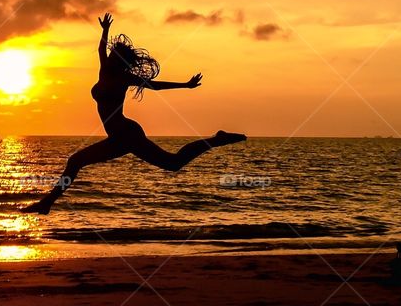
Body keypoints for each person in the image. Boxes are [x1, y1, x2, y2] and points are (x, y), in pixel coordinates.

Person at [23, 12, 246, 214]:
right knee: (79, 161)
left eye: (113, 55)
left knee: (172, 163)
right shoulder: (105, 70)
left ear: (119, 62)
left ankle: (216, 139)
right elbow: (101, 49)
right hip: (117, 137)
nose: (108, 56)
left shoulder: (123, 78)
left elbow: (155, 86)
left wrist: (185, 85)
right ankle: (47, 204)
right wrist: (105, 30)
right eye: (110, 54)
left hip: (127, 134)